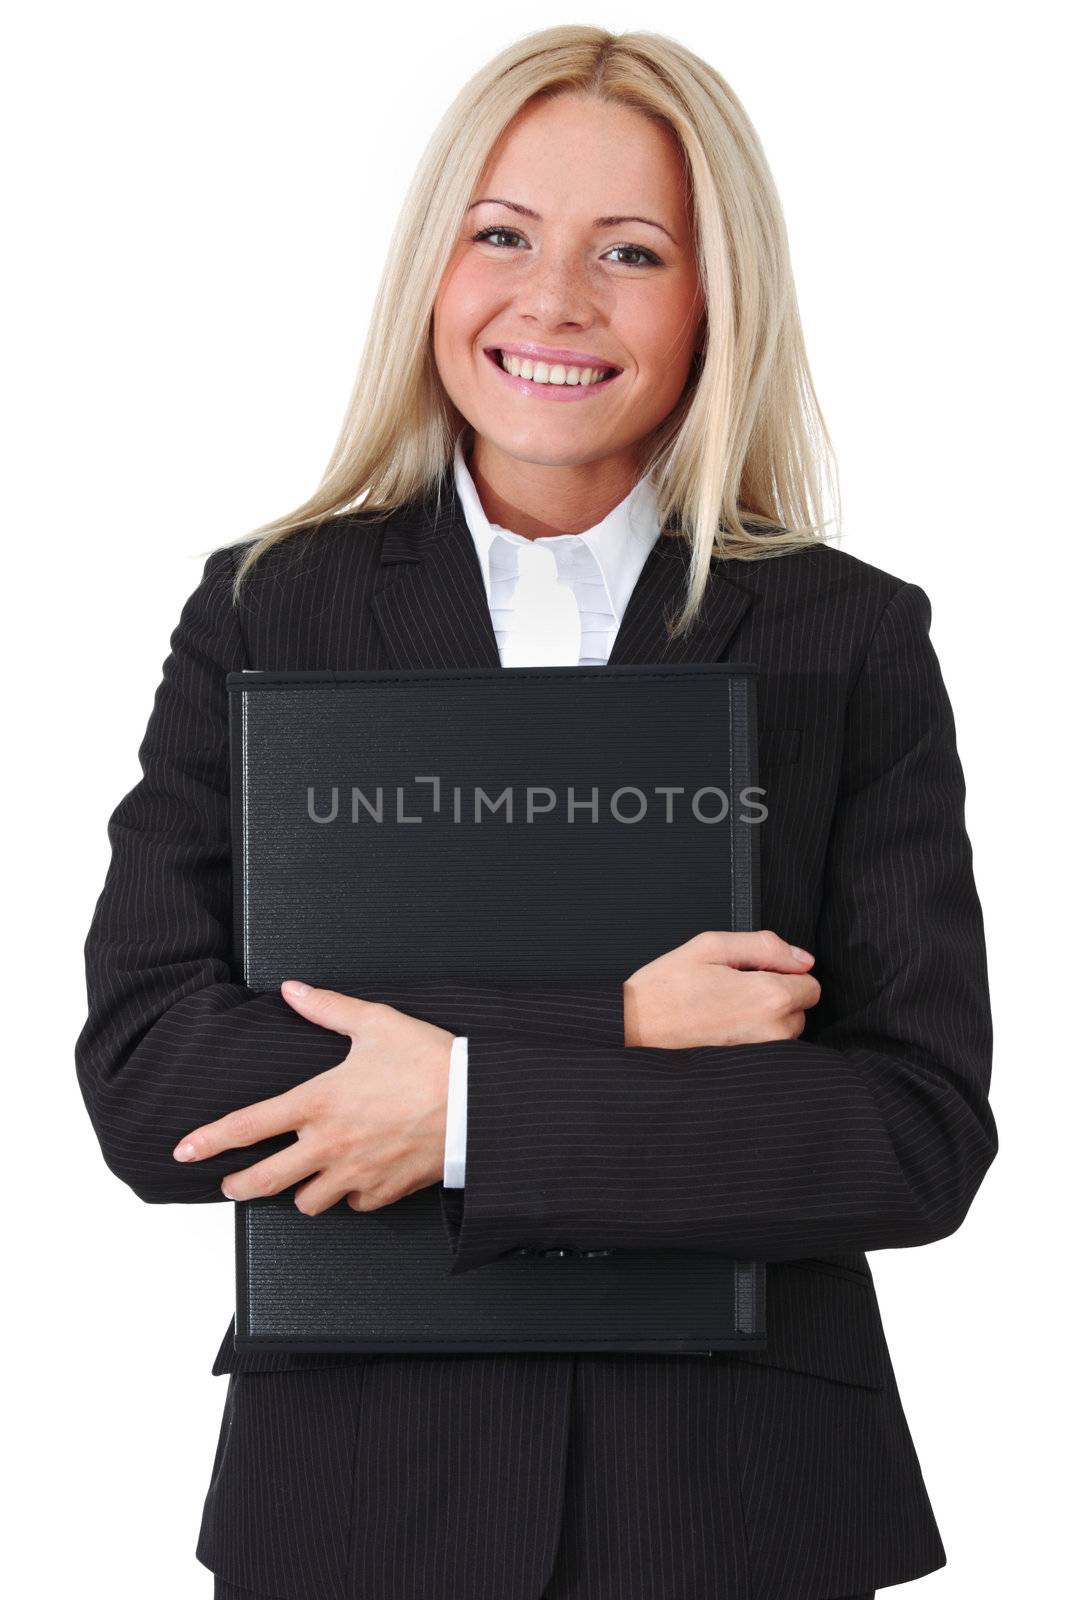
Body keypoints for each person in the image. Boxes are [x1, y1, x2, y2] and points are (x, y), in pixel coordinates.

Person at [74, 24, 997, 1600]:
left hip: (742, 1506)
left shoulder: (848, 638)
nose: (554, 300)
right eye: (502, 235)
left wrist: (463, 1106)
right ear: (435, 270)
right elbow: (155, 1077)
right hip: (362, 1504)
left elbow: (909, 1137)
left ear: (717, 299)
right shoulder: (267, 610)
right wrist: (612, 1029)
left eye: (630, 252)